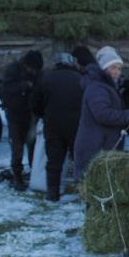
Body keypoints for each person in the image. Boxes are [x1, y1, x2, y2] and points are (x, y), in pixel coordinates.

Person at [73, 46, 129, 181]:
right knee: (95, 184)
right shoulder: (97, 88)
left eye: (119, 68)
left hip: (102, 145)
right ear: (104, 68)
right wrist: (128, 115)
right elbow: (102, 114)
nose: (117, 72)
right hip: (95, 146)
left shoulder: (107, 86)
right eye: (113, 68)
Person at [31, 53, 84, 202]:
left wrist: (44, 115)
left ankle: (52, 193)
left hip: (53, 126)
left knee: (54, 161)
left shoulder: (45, 78)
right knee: (79, 160)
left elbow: (35, 103)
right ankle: (83, 191)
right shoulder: (80, 79)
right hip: (76, 126)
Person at [0, 50, 43, 190]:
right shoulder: (12, 71)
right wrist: (24, 86)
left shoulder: (36, 74)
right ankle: (17, 176)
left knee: (32, 146)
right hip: (15, 114)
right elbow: (6, 90)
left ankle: (34, 174)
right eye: (33, 69)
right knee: (17, 147)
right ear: (26, 65)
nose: (34, 72)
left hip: (30, 114)